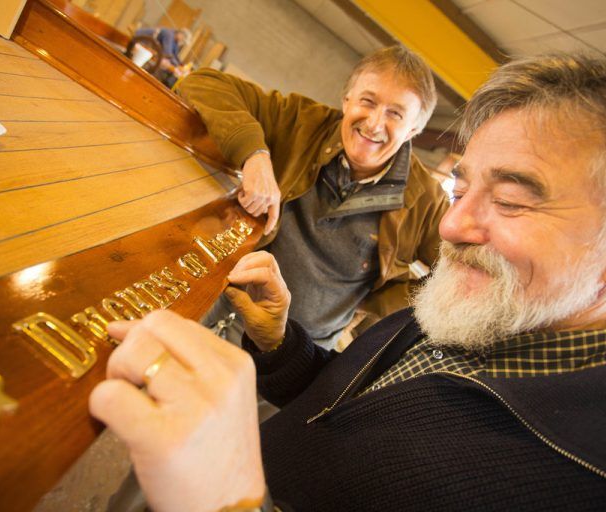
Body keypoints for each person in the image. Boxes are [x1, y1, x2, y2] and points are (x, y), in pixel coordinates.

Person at [89, 53, 606, 511]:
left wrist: (227, 501)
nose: (451, 226)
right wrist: (280, 343)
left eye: (513, 201)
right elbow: (339, 407)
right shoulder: (468, 311)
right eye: (461, 190)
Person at [178, 46, 449, 349]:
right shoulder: (302, 123)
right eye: (367, 101)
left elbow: (457, 274)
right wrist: (254, 154)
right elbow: (202, 83)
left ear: (413, 129)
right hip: (220, 301)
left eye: (395, 114)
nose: (374, 123)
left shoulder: (428, 202)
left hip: (292, 352)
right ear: (347, 100)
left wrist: (382, 302)